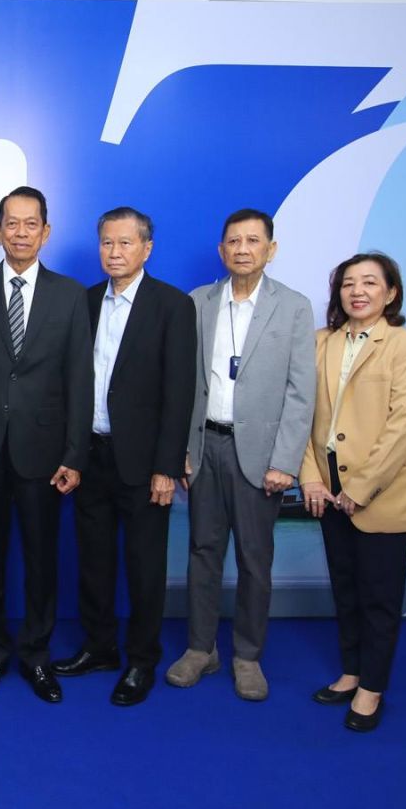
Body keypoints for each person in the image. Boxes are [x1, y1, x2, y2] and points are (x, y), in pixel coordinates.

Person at [51, 207, 196, 706]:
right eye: (107, 243)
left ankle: (141, 660)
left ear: (146, 248)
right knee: (93, 563)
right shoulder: (85, 301)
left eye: (125, 243)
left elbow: (179, 393)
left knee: (143, 567)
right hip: (91, 455)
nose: (114, 252)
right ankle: (99, 648)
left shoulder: (172, 305)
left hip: (143, 462)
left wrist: (166, 466)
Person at [169, 208, 315, 702]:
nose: (243, 249)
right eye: (234, 241)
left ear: (271, 249)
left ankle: (247, 656)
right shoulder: (198, 302)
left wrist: (285, 462)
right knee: (202, 553)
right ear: (221, 250)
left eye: (253, 240)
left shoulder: (293, 307)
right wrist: (182, 449)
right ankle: (200, 648)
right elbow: (184, 383)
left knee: (255, 559)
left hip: (261, 454)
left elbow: (301, 393)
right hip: (205, 446)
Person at [0, 186, 93, 703]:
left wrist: (74, 454)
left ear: (46, 232)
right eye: (11, 223)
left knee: (41, 560)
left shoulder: (70, 295)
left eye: (30, 223)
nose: (20, 233)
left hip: (44, 454)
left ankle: (36, 655)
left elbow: (80, 380)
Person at [299, 252, 406, 732]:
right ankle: (351, 671)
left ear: (391, 292)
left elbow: (403, 426)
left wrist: (359, 488)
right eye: (348, 283)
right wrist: (310, 476)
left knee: (380, 596)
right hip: (327, 488)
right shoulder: (319, 342)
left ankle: (372, 687)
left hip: (382, 491)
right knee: (347, 588)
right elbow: (300, 413)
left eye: (370, 283)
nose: (358, 291)